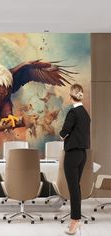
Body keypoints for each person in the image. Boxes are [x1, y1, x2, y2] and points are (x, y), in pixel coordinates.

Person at [59, 83, 91, 235]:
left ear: (70, 96)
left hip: (72, 154)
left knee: (73, 189)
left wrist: (62, 135)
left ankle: (75, 222)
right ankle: (76, 220)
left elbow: (63, 132)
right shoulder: (85, 113)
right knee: (76, 188)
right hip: (82, 154)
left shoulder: (73, 113)